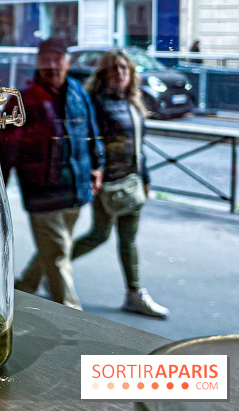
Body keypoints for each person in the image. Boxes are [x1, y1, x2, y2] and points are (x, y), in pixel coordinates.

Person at [0, 37, 105, 310]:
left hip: (76, 188)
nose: (51, 65)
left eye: (57, 59)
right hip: (42, 191)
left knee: (58, 247)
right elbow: (6, 148)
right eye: (45, 59)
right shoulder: (22, 100)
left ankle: (27, 285)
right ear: (37, 62)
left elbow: (92, 132)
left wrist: (98, 166)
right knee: (58, 255)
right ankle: (73, 315)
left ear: (67, 63)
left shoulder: (78, 92)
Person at [71, 50, 169, 318]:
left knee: (128, 239)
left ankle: (134, 293)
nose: (120, 73)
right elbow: (90, 142)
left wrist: (146, 178)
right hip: (109, 183)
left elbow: (139, 146)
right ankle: (54, 264)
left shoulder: (132, 102)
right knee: (99, 235)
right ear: (103, 73)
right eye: (114, 68)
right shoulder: (96, 103)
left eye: (124, 68)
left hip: (132, 181)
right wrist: (96, 173)